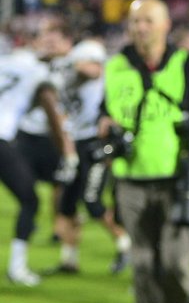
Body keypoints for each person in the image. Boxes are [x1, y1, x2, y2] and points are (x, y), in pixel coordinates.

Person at [100, 0, 189, 303]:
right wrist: (105, 126)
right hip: (130, 180)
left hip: (176, 181)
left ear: (167, 26)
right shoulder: (115, 67)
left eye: (148, 20)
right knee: (144, 266)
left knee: (175, 267)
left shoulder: (187, 64)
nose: (141, 28)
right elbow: (107, 113)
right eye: (135, 22)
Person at [52, 38, 132, 275]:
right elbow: (62, 116)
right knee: (66, 205)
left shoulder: (103, 81)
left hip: (96, 144)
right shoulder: (69, 81)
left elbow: (98, 73)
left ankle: (125, 244)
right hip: (75, 143)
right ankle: (68, 260)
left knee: (92, 201)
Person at [1, 40, 77, 286]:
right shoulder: (37, 73)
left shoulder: (6, 62)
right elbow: (51, 112)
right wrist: (65, 151)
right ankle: (17, 267)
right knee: (30, 200)